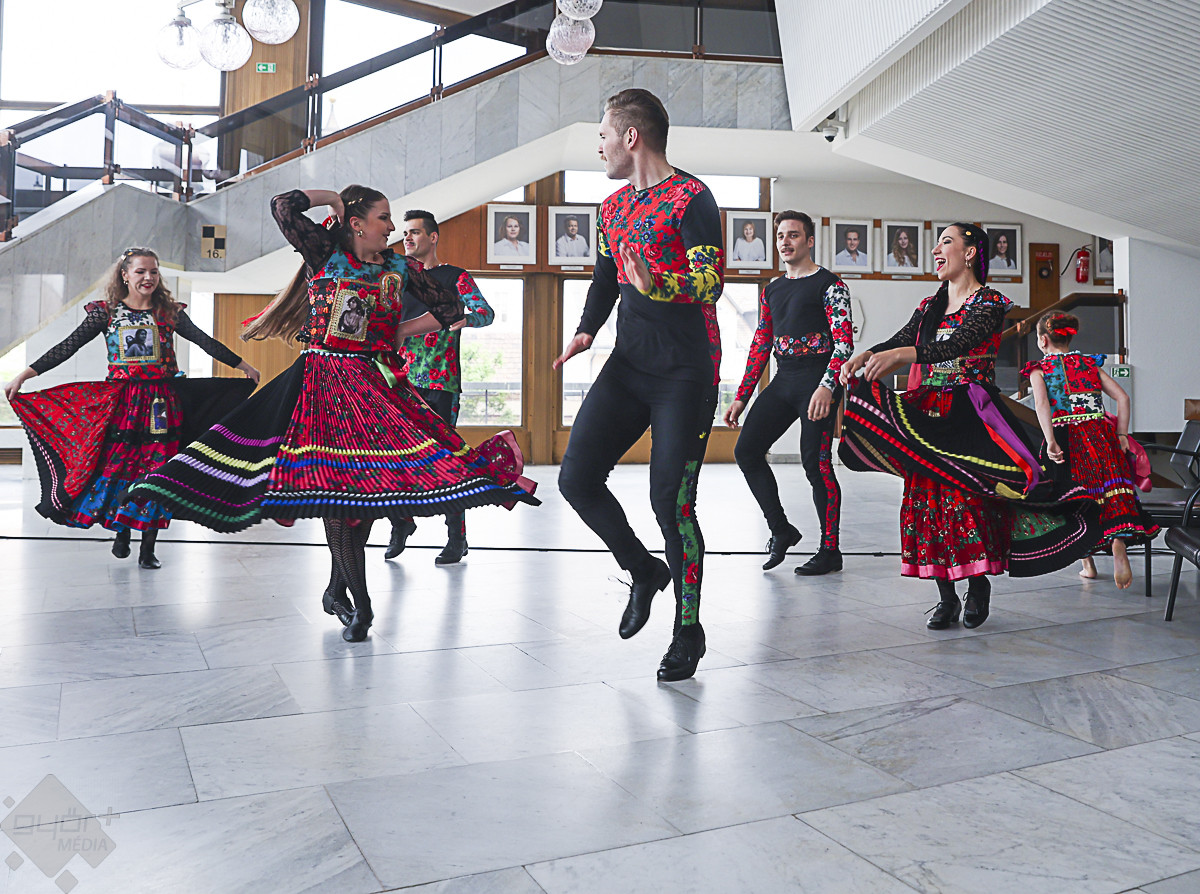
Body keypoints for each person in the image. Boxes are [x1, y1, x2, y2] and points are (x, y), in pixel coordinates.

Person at [125, 187, 539, 643]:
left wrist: (399, 330)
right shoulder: (325, 253)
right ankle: (360, 603)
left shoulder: (398, 268)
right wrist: (333, 201)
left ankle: (337, 589)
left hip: (371, 384)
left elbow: (449, 308)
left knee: (366, 494)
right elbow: (282, 205)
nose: (392, 227)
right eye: (384, 218)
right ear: (358, 223)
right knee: (339, 495)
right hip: (321, 385)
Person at [838, 223, 1101, 631]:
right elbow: (903, 337)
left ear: (971, 252)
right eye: (937, 243)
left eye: (946, 241)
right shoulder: (930, 305)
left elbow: (955, 345)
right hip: (929, 409)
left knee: (969, 498)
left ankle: (977, 586)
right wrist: (867, 354)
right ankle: (945, 597)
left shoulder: (989, 302)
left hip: (970, 410)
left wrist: (903, 356)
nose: (936, 250)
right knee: (926, 500)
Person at [555, 88, 723, 682]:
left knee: (670, 503)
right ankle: (643, 570)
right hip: (628, 365)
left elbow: (710, 282)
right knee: (575, 478)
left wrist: (658, 284)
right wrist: (585, 330)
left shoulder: (693, 197)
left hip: (686, 372)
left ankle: (688, 629)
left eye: (603, 135)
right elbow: (605, 280)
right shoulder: (611, 208)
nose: (599, 147)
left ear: (631, 137)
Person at [5, 248, 259, 569]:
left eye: (153, 271)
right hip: (123, 404)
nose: (148, 277)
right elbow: (67, 346)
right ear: (125, 275)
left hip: (161, 405)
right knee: (121, 468)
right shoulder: (106, 313)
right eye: (140, 271)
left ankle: (148, 548)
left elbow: (204, 341)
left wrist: (243, 366)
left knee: (158, 470)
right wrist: (25, 374)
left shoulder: (169, 313)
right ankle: (122, 529)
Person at [724, 210, 852, 575]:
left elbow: (844, 344)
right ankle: (781, 529)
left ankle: (830, 550)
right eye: (780, 236)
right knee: (746, 451)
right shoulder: (773, 290)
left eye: (793, 235)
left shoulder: (831, 285)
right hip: (784, 380)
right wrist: (742, 396)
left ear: (809, 241)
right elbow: (761, 344)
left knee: (816, 464)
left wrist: (828, 387)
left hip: (818, 381)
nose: (785, 241)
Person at [386, 208, 496, 565]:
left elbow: (486, 312)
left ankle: (456, 537)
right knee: (394, 459)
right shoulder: (397, 277)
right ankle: (401, 523)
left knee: (447, 461)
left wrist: (465, 318)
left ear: (433, 237)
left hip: (440, 381)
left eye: (415, 232)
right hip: (399, 380)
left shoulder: (454, 277)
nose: (408, 238)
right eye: (405, 233)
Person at [1023, 311, 1158, 588]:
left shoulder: (1040, 370)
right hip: (1100, 435)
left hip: (1065, 436)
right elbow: (1123, 398)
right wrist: (1122, 434)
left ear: (1043, 340)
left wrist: (1050, 440)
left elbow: (1042, 405)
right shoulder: (1089, 364)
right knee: (1110, 492)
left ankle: (1088, 564)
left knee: (1075, 498)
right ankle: (1117, 542)